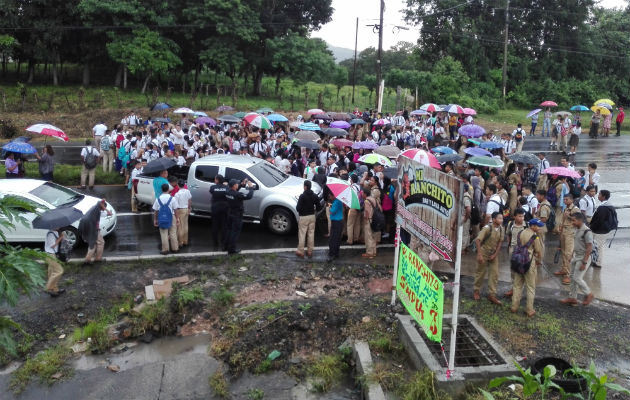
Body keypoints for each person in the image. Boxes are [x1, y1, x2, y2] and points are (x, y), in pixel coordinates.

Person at [510, 218, 544, 317]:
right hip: (529, 263)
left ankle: (514, 307)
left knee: (517, 285)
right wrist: (539, 261)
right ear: (532, 226)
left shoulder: (521, 232)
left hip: (518, 261)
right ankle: (529, 309)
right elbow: (538, 251)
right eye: (538, 226)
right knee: (530, 287)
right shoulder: (535, 237)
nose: (539, 228)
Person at [560, 213, 594, 306]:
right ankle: (572, 298)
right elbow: (576, 243)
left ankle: (589, 294)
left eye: (574, 220)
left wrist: (584, 262)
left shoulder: (587, 231)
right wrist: (571, 255)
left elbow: (589, 248)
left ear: (580, 220)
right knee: (572, 277)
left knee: (577, 278)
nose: (572, 222)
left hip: (583, 257)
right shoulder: (577, 229)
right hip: (576, 256)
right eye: (571, 220)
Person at [473, 212, 505, 305]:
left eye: (502, 218)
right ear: (494, 219)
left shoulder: (501, 229)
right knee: (480, 273)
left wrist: (495, 254)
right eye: (499, 218)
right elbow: (478, 240)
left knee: (494, 274)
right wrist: (479, 254)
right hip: (483, 252)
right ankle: (476, 291)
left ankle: (492, 294)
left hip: (493, 254)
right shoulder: (487, 228)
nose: (501, 220)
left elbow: (500, 242)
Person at [555, 194, 581, 285]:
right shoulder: (566, 208)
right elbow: (562, 220)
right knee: (563, 251)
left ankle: (568, 275)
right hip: (564, 231)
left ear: (571, 200)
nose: (565, 201)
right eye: (564, 199)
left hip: (570, 232)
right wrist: (560, 227)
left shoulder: (575, 209)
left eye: (566, 199)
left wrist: (569, 216)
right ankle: (564, 269)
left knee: (568, 253)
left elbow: (578, 221)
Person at [225, 178, 255, 254]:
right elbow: (249, 196)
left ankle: (225, 246)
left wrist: (242, 184)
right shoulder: (238, 195)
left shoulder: (227, 191)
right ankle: (231, 250)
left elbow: (234, 191)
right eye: (237, 184)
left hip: (229, 213)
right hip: (237, 215)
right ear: (234, 185)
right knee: (235, 232)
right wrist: (251, 187)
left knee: (229, 230)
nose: (238, 185)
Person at [504, 209, 527, 298]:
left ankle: (519, 290)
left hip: (523, 251)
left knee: (521, 271)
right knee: (513, 270)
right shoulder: (510, 224)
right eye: (519, 216)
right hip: (513, 250)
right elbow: (508, 235)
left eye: (523, 216)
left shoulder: (527, 225)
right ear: (514, 216)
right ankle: (513, 288)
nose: (521, 218)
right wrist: (509, 246)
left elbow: (533, 237)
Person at [590, 190, 616, 268]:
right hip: (605, 229)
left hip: (600, 230)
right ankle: (597, 261)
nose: (598, 196)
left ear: (603, 196)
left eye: (599, 194)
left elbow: (599, 220)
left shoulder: (603, 208)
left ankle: (598, 263)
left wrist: (592, 227)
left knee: (597, 247)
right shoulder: (609, 205)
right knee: (599, 246)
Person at [79, 198, 111, 264]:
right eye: (103, 208)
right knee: (100, 242)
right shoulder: (97, 207)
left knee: (93, 243)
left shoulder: (94, 210)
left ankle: (88, 260)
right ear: (102, 206)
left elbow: (98, 219)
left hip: (85, 226)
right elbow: (100, 202)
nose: (103, 210)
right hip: (91, 228)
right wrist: (105, 208)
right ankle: (96, 259)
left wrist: (106, 211)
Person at [296, 180, 320, 258]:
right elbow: (319, 207)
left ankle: (301, 251)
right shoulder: (315, 196)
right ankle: (310, 251)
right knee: (311, 234)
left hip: (303, 217)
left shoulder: (302, 196)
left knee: (302, 234)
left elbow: (298, 208)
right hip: (312, 216)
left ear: (305, 187)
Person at [153, 183, 179, 255]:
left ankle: (165, 250)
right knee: (173, 233)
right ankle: (175, 248)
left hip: (162, 217)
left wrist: (155, 219)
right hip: (172, 216)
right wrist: (177, 218)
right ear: (168, 189)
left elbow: (156, 211)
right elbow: (175, 209)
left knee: (164, 234)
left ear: (161, 190)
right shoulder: (172, 198)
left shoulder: (158, 199)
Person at [44, 227, 66, 297]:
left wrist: (61, 236)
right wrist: (60, 237)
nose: (60, 226)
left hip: (51, 254)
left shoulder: (55, 232)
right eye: (58, 225)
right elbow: (52, 245)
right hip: (50, 255)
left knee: (52, 272)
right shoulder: (50, 234)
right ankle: (48, 288)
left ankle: (55, 289)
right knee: (59, 271)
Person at [209, 175, 229, 249]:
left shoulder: (212, 187)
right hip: (225, 208)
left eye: (215, 179)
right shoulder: (226, 187)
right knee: (224, 226)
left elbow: (211, 192)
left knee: (215, 226)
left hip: (215, 208)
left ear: (217, 180)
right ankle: (223, 242)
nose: (214, 180)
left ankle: (215, 242)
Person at [362, 186, 381, 259]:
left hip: (369, 220)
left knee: (368, 237)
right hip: (375, 220)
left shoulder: (366, 201)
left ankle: (369, 253)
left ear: (365, 194)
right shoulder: (374, 199)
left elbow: (366, 212)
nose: (361, 194)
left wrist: (365, 220)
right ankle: (374, 252)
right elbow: (380, 208)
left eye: (362, 193)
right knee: (373, 237)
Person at [174, 179, 191, 247]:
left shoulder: (177, 194)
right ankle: (185, 241)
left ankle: (180, 242)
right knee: (185, 225)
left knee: (180, 227)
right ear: (184, 185)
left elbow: (176, 205)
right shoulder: (187, 191)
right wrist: (189, 208)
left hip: (180, 210)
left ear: (178, 185)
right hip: (186, 209)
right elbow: (190, 201)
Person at [327, 193, 344, 262]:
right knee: (337, 238)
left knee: (333, 239)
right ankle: (336, 253)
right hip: (339, 221)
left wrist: (329, 207)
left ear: (333, 195)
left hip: (336, 222)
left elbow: (332, 212)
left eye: (330, 196)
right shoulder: (338, 201)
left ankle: (332, 254)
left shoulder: (337, 202)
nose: (330, 197)